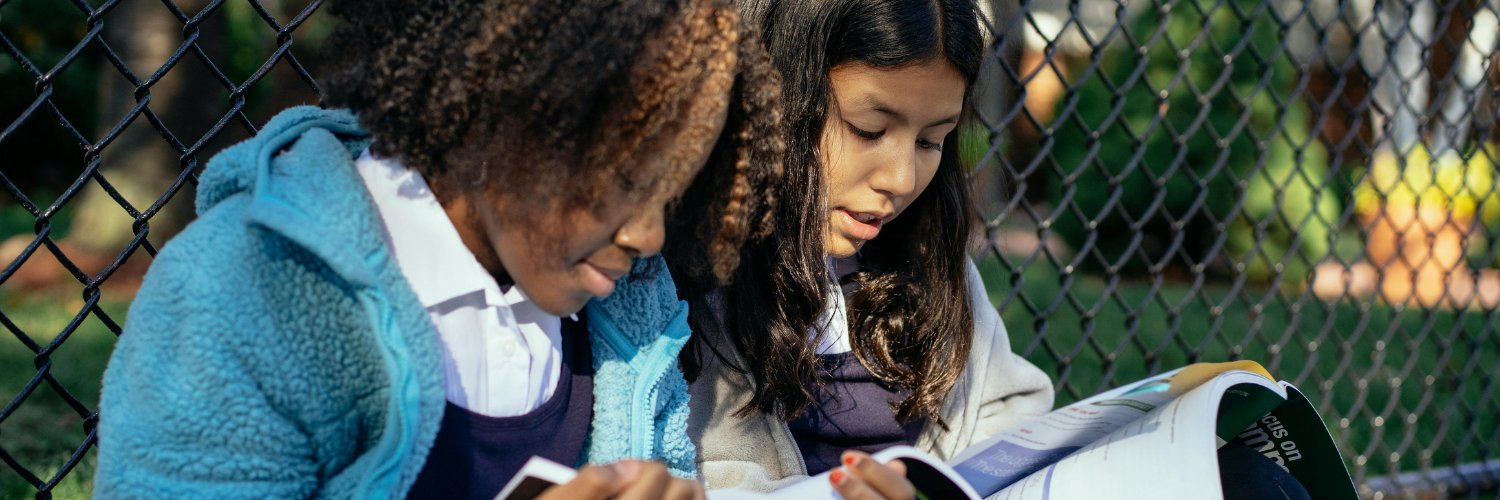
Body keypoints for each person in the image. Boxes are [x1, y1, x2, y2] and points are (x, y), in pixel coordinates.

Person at [94, 0, 783, 498]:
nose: (648, 236)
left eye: (672, 193)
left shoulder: (629, 308)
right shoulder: (241, 291)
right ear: (493, 108)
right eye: (623, 179)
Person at [671, 0, 1055, 497]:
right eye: (868, 130)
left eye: (931, 141)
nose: (900, 179)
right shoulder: (685, 283)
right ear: (772, 94)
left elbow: (1006, 411)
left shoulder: (928, 261)